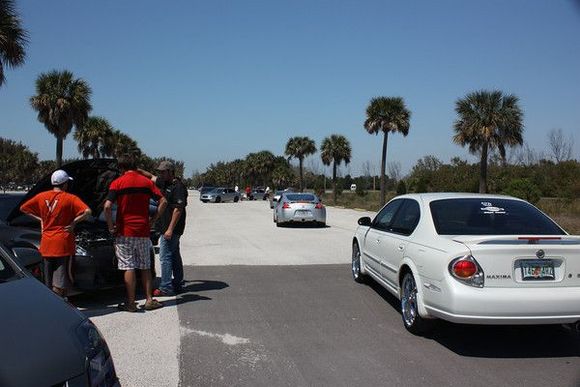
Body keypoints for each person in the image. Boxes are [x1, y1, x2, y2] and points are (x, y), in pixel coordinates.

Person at [104, 155, 167, 312]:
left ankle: (131, 303)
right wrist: (153, 220)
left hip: (124, 231)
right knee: (145, 266)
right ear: (135, 166)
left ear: (121, 168)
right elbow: (163, 201)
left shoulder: (117, 183)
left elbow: (106, 206)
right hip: (143, 231)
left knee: (128, 266)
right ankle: (149, 300)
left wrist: (111, 227)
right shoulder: (145, 182)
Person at [20, 170, 91, 297]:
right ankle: (60, 301)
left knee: (48, 277)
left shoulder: (41, 196)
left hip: (46, 242)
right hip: (63, 242)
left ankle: (49, 300)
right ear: (65, 184)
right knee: (61, 278)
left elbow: (23, 208)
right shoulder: (70, 198)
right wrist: (74, 222)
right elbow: (87, 211)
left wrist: (41, 219)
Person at [139, 160, 188, 296]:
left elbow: (178, 209)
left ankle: (165, 287)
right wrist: (136, 170)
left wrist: (170, 229)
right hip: (166, 226)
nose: (160, 174)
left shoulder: (177, 187)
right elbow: (150, 177)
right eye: (159, 171)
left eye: (163, 171)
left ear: (170, 171)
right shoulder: (163, 182)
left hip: (172, 227)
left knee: (165, 256)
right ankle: (177, 283)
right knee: (175, 255)